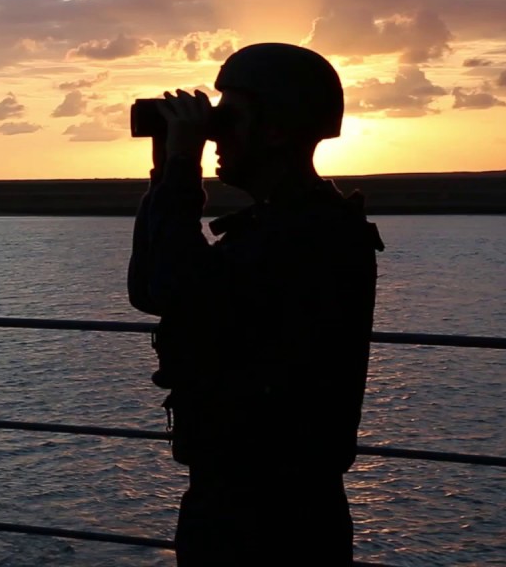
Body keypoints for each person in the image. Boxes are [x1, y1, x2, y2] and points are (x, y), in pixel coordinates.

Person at [127, 43, 385, 565]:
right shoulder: (284, 225)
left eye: (232, 116)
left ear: (276, 130)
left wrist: (181, 167)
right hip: (236, 494)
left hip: (271, 513)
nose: (216, 131)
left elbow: (177, 288)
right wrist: (166, 170)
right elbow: (149, 290)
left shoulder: (312, 235)